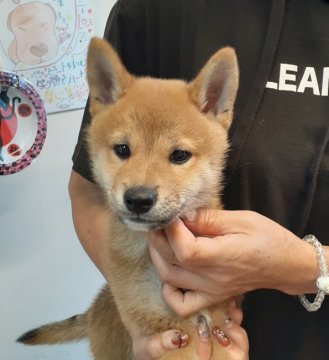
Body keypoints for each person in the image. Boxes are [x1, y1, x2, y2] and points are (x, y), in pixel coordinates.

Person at [69, 0, 329, 359]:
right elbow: (86, 192)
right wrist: (142, 319)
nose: (140, 184)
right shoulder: (152, 10)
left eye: (178, 155)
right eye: (123, 151)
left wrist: (307, 266)